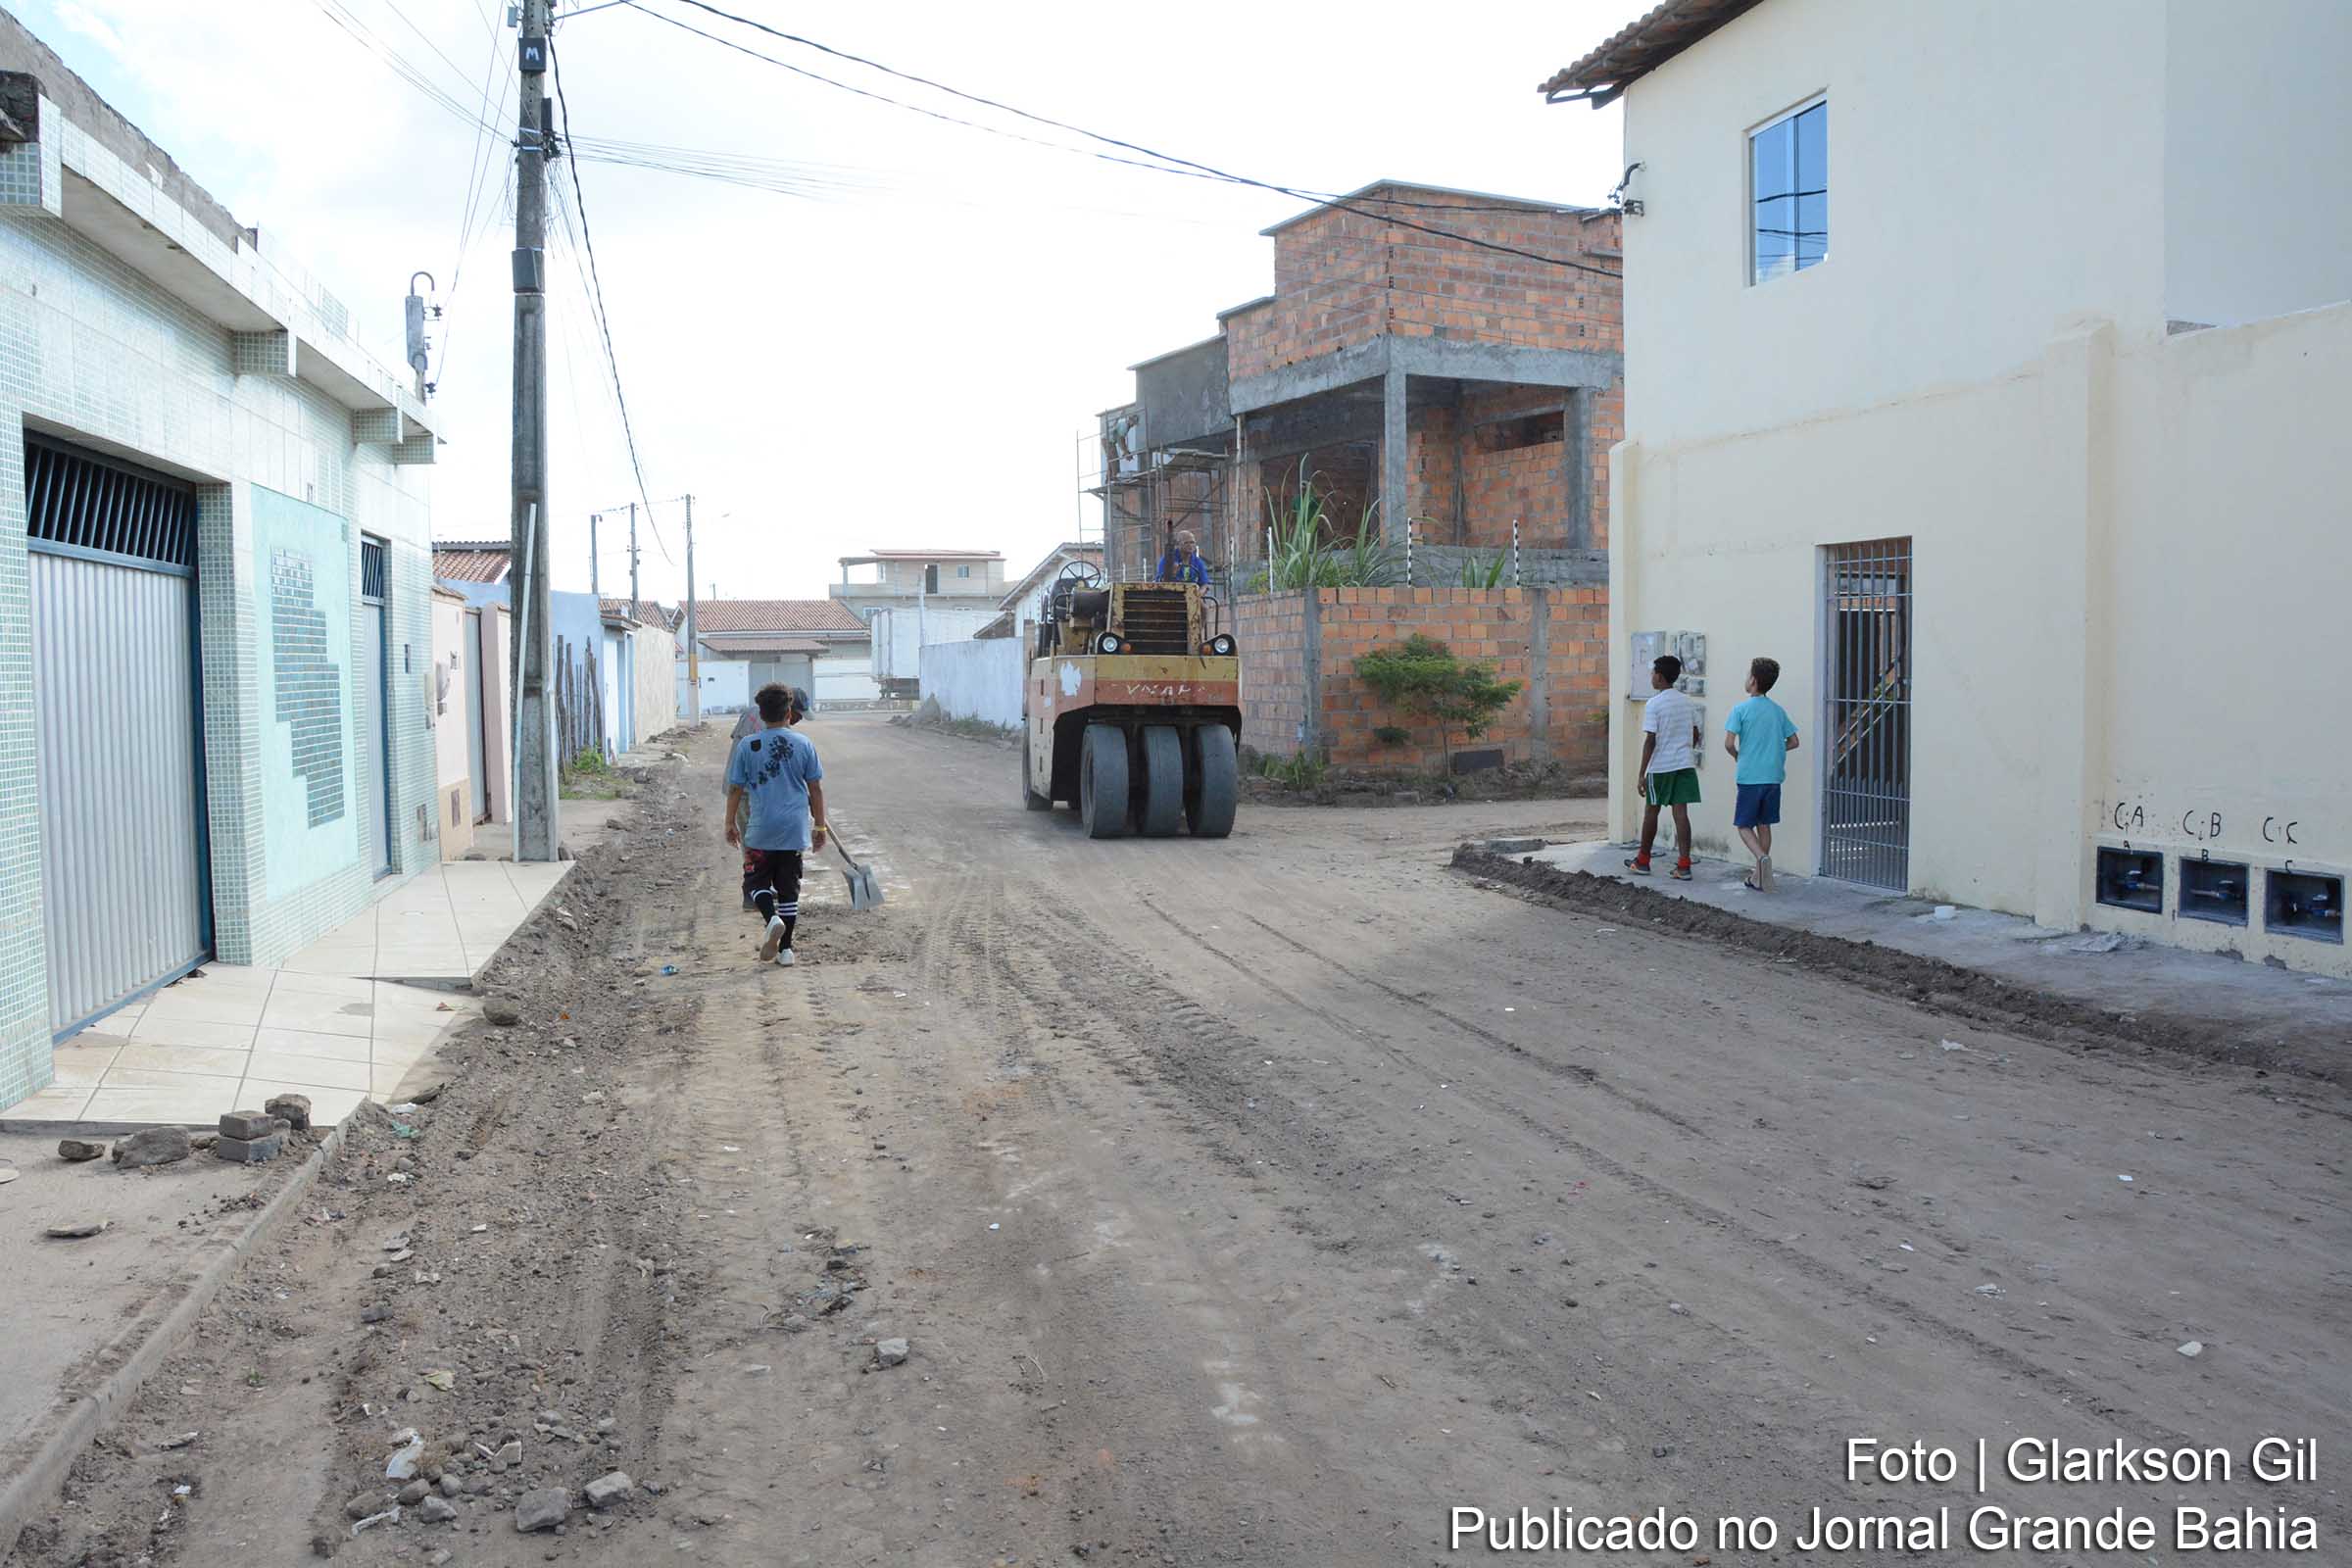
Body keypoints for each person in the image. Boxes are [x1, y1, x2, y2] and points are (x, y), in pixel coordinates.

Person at [723, 683, 827, 967]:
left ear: (762, 712)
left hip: (760, 829)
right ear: (789, 712)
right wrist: (820, 827)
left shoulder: (748, 745)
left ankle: (772, 919)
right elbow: (815, 788)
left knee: (755, 882)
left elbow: (735, 790)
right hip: (794, 828)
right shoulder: (804, 744)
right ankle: (786, 951)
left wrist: (730, 822)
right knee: (788, 889)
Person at [1724, 656, 1800, 892]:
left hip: (1750, 777)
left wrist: (1738, 755)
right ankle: (1759, 877)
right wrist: (1775, 750)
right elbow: (1794, 741)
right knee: (1764, 825)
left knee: (1744, 825)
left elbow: (1728, 743)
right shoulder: (1778, 711)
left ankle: (1762, 859)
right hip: (1773, 776)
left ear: (1754, 680)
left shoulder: (1740, 709)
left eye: (1748, 675)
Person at [1628, 654, 1700, 880]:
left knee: (1652, 811)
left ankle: (1642, 861)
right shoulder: (1687, 701)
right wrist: (1685, 748)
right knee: (1681, 814)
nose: (1651, 677)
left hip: (1660, 768)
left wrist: (1641, 774)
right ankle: (1684, 865)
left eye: (1652, 674)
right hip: (1684, 765)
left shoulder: (1654, 704)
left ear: (1659, 677)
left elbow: (1651, 741)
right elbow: (1696, 733)